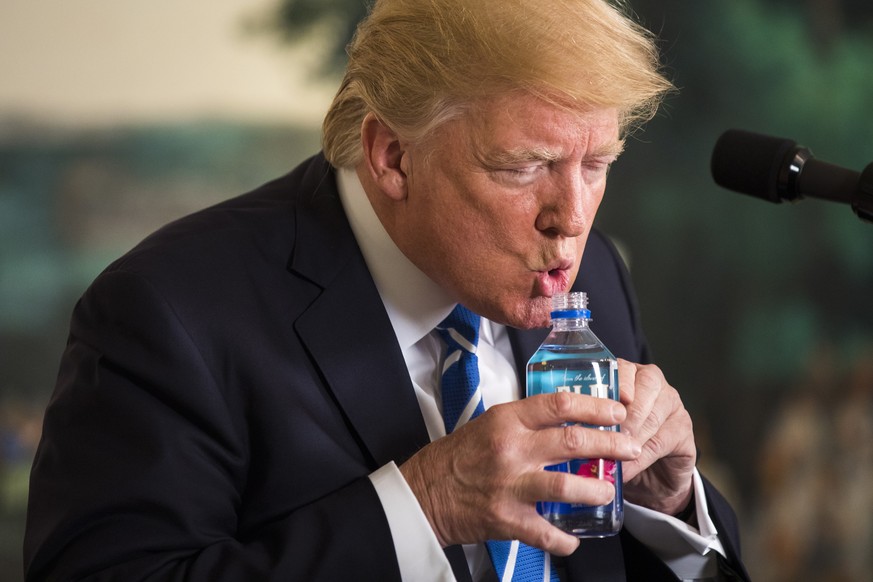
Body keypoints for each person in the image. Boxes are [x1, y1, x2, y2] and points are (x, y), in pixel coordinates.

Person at [24, 0, 750, 580]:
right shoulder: (167, 311)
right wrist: (422, 507)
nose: (572, 218)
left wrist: (668, 506)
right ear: (392, 155)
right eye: (524, 166)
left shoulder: (590, 276)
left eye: (596, 163)